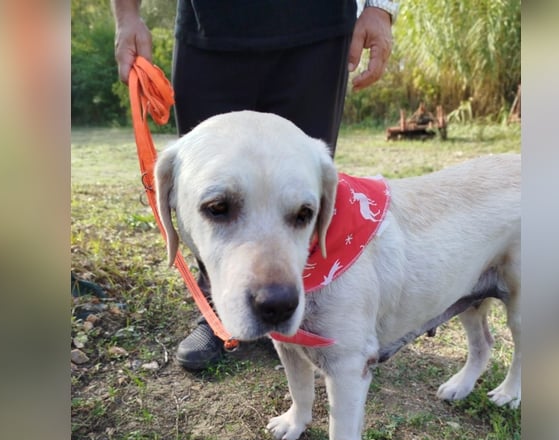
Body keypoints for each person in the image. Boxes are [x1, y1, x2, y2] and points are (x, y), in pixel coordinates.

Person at [111, 0, 397, 370]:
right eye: (219, 209)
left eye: (303, 215)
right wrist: (127, 15)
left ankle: (303, 314)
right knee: (211, 177)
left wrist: (380, 7)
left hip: (319, 29)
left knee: (293, 186)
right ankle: (216, 314)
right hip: (209, 28)